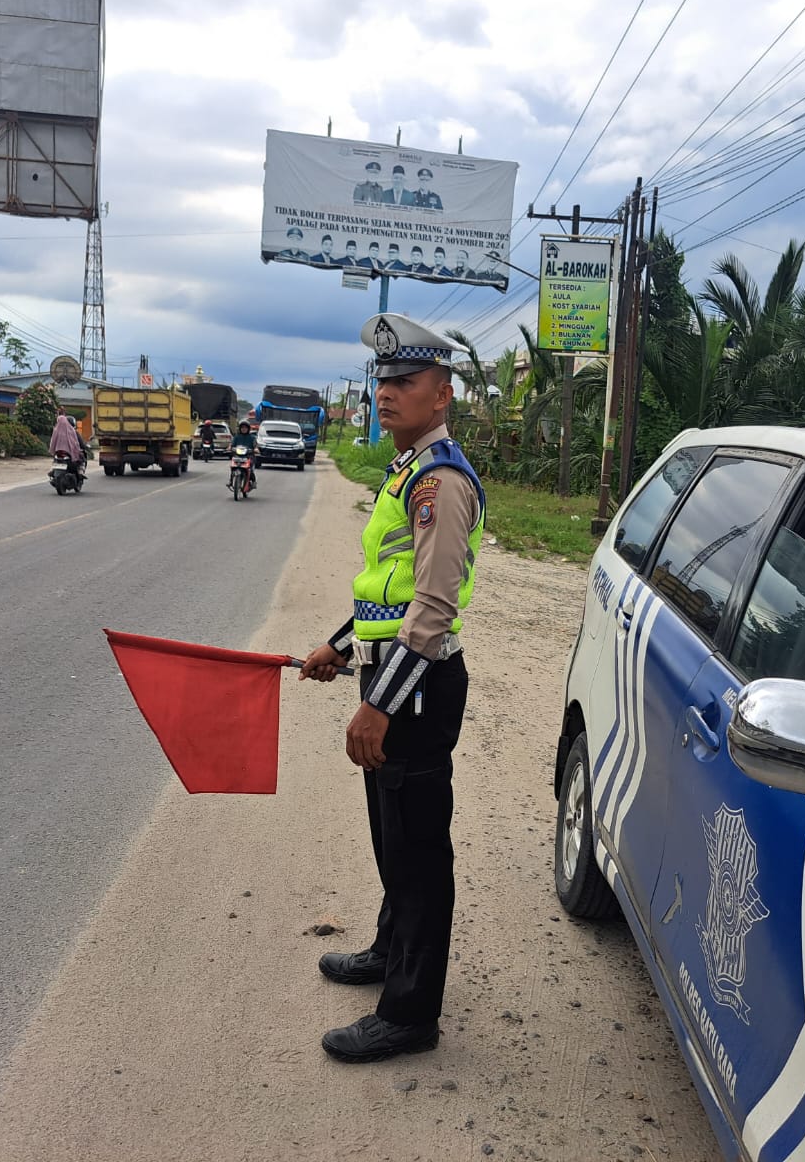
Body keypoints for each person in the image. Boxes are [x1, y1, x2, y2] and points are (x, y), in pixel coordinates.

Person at [300, 313, 486, 1064]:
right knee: (390, 837)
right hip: (391, 680)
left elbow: (433, 613)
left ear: (442, 394)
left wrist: (376, 703)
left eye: (404, 382)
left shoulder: (440, 483)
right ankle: (389, 950)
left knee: (417, 854)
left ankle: (410, 1014)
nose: (386, 394)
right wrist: (337, 648)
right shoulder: (407, 471)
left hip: (416, 689)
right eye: (382, 382)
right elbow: (389, 595)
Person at [226, 419, 257, 491]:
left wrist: (255, 449)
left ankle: (253, 482)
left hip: (249, 456)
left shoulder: (252, 437)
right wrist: (229, 447)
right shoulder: (236, 437)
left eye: (245, 428)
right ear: (240, 429)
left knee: (251, 469)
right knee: (233, 467)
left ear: (248, 429)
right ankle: (231, 481)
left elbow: (255, 446)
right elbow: (232, 444)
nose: (244, 429)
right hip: (238, 456)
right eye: (242, 427)